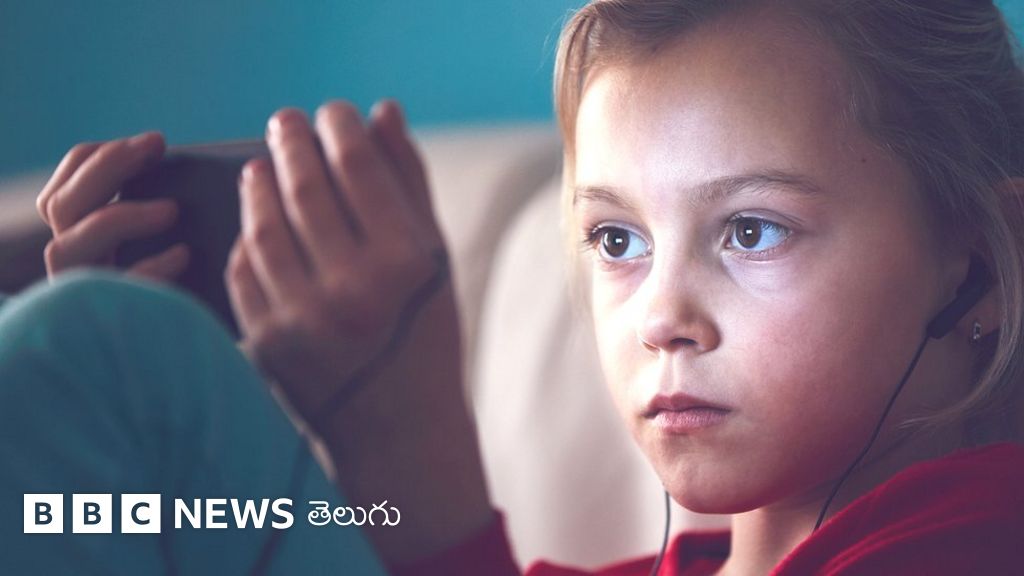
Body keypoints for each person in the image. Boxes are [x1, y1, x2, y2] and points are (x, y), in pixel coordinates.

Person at [4, 0, 1024, 574]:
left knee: (101, 345)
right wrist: (114, 466)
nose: (661, 318)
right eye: (617, 239)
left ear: (976, 261)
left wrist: (405, 445)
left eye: (751, 231)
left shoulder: (984, 541)